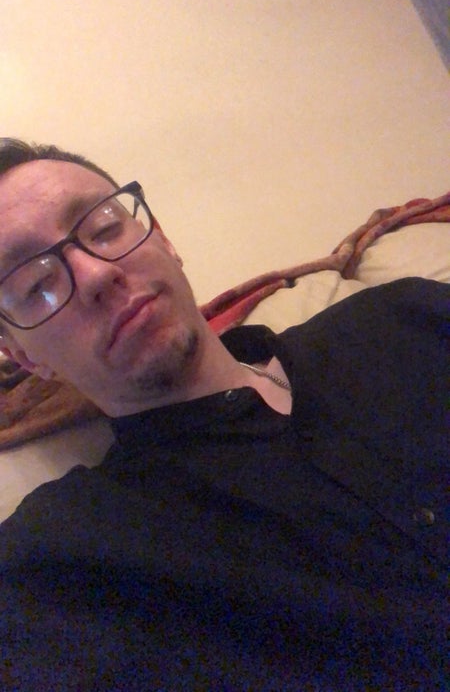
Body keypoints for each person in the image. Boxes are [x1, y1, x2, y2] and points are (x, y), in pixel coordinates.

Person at [0, 138, 447, 691]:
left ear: (163, 239)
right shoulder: (63, 561)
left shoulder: (399, 315)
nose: (95, 274)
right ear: (26, 358)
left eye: (104, 227)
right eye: (36, 284)